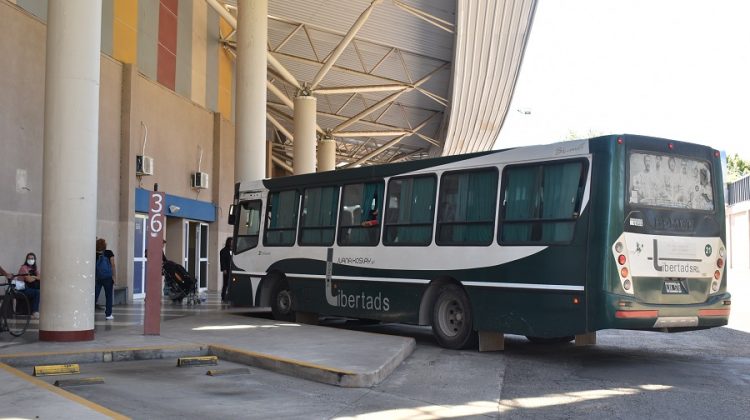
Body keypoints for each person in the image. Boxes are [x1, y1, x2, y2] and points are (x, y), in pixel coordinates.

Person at [14, 252, 41, 319]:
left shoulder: (34, 268)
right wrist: (35, 277)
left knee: (39, 291)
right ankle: (35, 312)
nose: (30, 260)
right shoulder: (24, 268)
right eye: (29, 258)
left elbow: (40, 277)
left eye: (32, 258)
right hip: (22, 289)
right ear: (26, 260)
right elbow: (29, 280)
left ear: (34, 260)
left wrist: (33, 276)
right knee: (37, 292)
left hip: (30, 288)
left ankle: (34, 312)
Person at [95, 238, 116, 320]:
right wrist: (114, 276)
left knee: (95, 295)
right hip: (108, 278)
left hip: (98, 278)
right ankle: (108, 314)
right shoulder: (109, 253)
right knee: (109, 296)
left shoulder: (93, 254)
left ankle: (90, 311)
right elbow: (113, 265)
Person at [220, 237, 234, 303]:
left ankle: (229, 296)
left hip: (232, 270)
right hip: (227, 270)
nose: (232, 243)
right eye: (231, 242)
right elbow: (222, 261)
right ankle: (223, 296)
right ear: (228, 242)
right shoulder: (223, 251)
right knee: (225, 284)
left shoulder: (234, 250)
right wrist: (224, 269)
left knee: (231, 284)